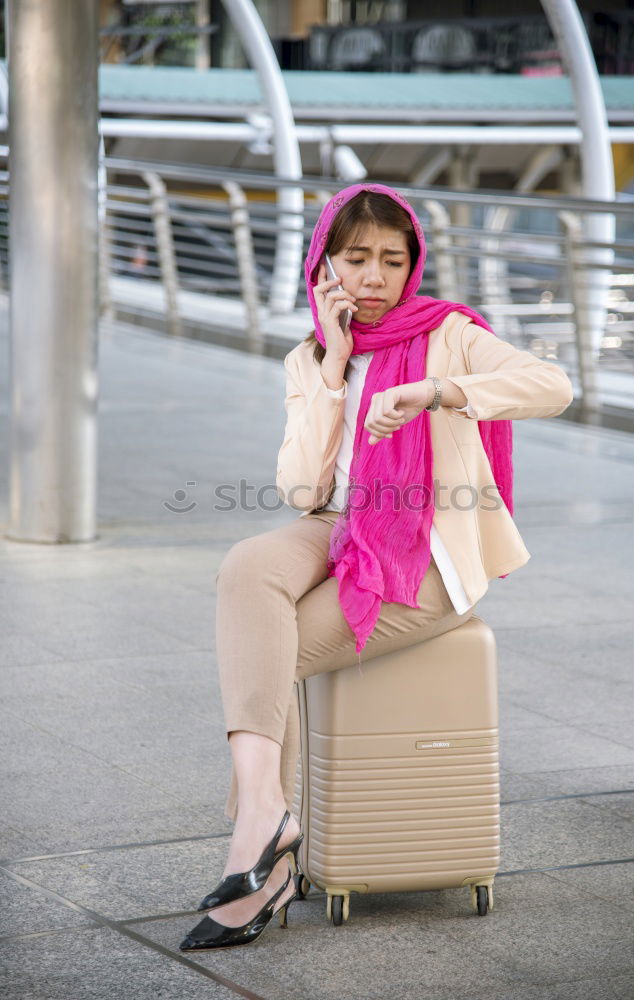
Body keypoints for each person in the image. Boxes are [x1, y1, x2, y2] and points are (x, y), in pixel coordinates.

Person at [180, 183, 574, 951]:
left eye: (391, 260)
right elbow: (300, 489)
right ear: (323, 263)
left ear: (412, 266)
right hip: (338, 525)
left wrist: (436, 392)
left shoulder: (448, 334)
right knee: (247, 567)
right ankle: (268, 815)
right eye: (355, 257)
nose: (373, 276)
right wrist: (332, 368)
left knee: (273, 646)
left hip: (426, 551)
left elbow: (551, 386)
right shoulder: (308, 357)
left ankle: (260, 860)